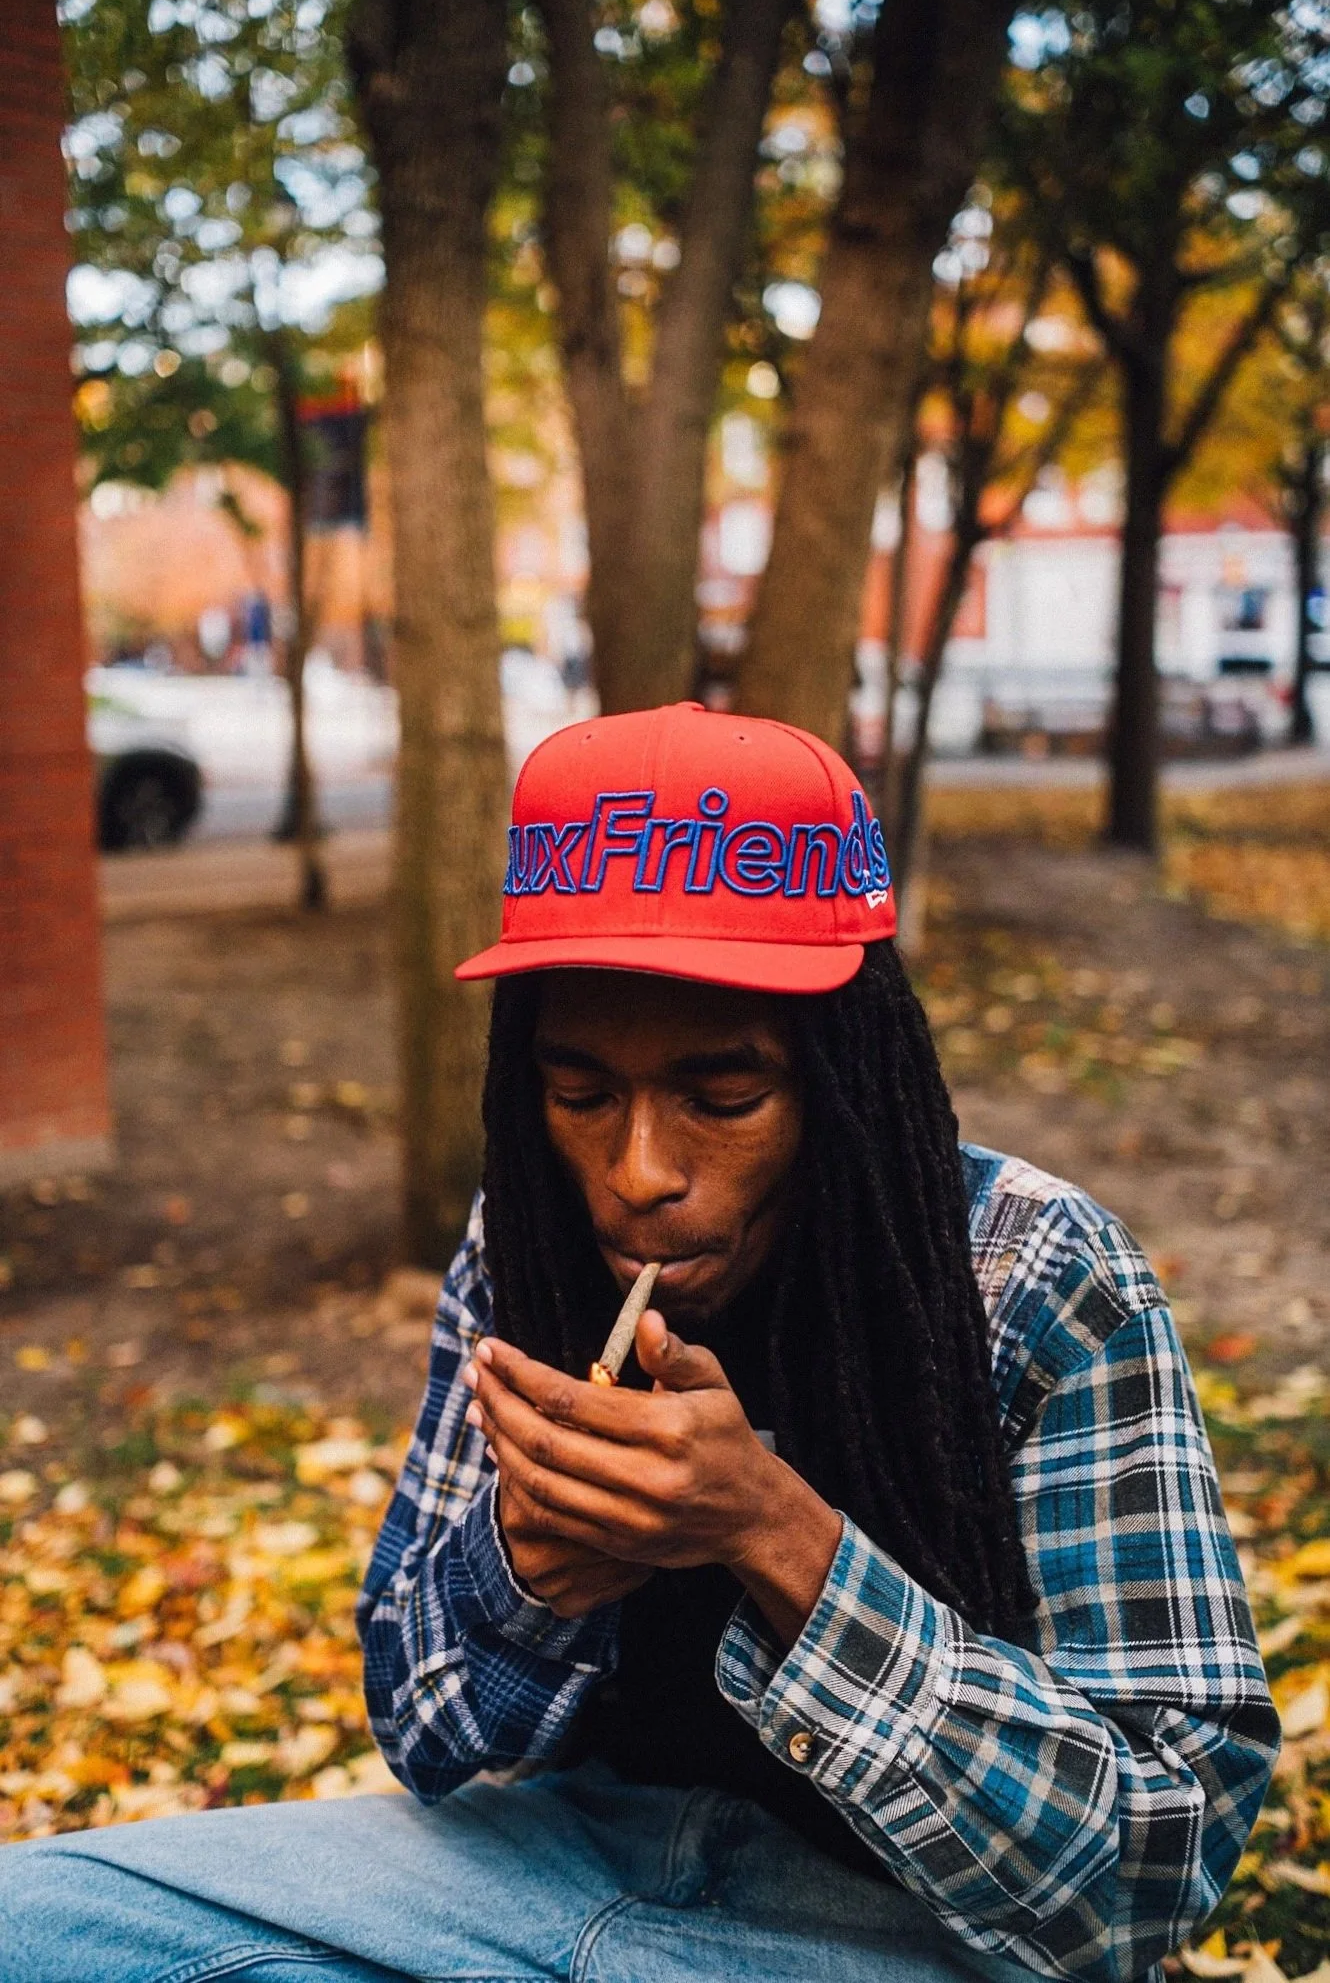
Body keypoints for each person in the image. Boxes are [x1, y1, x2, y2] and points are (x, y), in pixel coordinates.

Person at [0, 704, 1278, 1983]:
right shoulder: (530, 1242)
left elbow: (1154, 1880)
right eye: (580, 1093)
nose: (638, 1171)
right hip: (560, 1867)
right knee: (36, 1920)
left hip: (904, 1924)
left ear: (846, 1076)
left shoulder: (1043, 1278)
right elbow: (421, 1727)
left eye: (723, 1097)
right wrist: (526, 1569)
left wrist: (778, 1534)